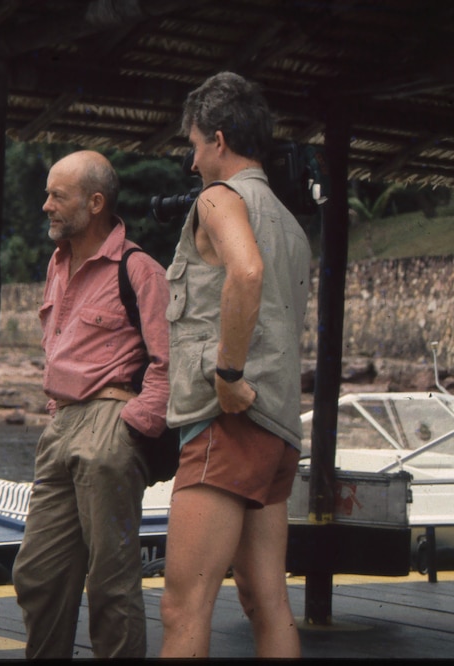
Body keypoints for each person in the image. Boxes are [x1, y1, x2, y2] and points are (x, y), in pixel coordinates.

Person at [158, 71, 310, 658]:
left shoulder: (219, 199)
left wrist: (225, 377)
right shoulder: (292, 225)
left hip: (228, 425)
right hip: (276, 431)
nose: (192, 162)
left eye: (194, 146)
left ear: (218, 140)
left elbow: (245, 272)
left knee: (182, 608)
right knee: (266, 603)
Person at [11, 150, 170, 659]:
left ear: (95, 202)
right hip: (61, 424)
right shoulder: (59, 264)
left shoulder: (139, 268)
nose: (46, 206)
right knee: (37, 574)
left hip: (109, 423)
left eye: (58, 195)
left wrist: (132, 426)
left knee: (111, 583)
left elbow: (172, 361)